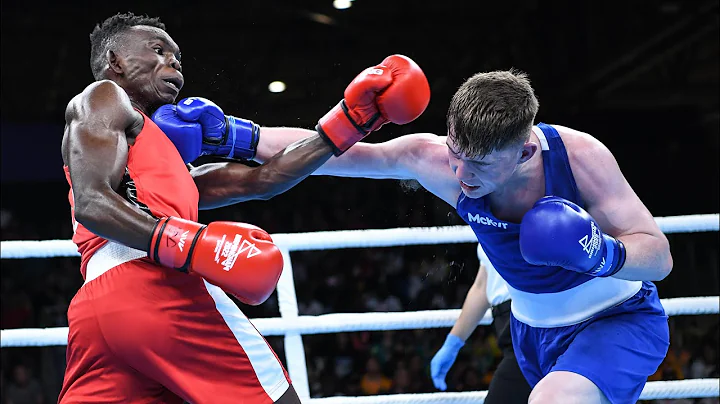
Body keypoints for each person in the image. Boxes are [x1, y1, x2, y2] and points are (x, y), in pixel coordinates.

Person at [60, 11, 429, 404]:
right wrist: (189, 244)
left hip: (97, 312)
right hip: (158, 288)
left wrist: (350, 122)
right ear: (115, 60)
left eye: (178, 57)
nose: (173, 62)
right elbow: (92, 202)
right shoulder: (103, 96)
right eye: (158, 50)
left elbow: (262, 180)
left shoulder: (162, 161)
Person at [252, 69, 672, 403]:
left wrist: (602, 253)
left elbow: (659, 256)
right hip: (529, 334)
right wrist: (239, 137)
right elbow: (337, 155)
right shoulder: (434, 159)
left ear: (525, 152)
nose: (461, 175)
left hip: (615, 320)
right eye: (456, 152)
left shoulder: (580, 158)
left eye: (481, 165)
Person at [430, 244, 531, 402]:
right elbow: (483, 284)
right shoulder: (487, 224)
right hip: (510, 324)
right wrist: (453, 342)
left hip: (528, 317)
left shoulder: (527, 220)